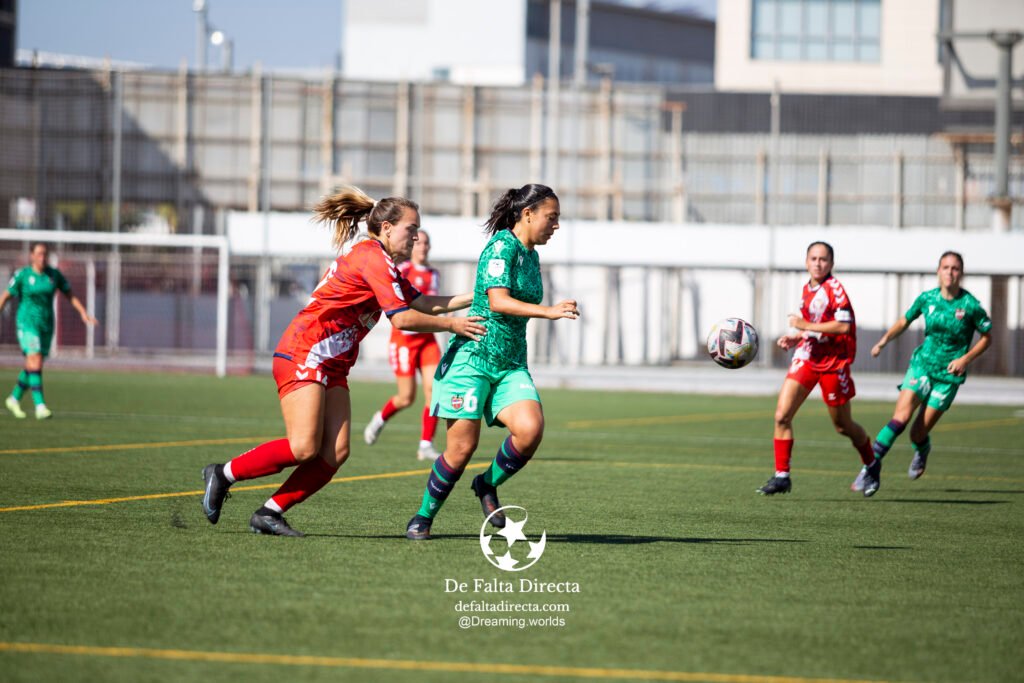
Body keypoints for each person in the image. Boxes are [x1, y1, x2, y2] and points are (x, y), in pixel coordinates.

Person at [200, 187, 486, 537]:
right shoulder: (372, 258)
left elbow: (424, 302)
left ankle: (269, 512)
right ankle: (223, 473)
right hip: (305, 352)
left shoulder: (386, 265)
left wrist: (480, 294)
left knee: (335, 452)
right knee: (304, 447)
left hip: (331, 363)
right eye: (411, 228)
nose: (415, 236)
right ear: (386, 228)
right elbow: (402, 318)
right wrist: (454, 325)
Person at [405, 184, 579, 541]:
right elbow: (498, 302)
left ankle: (486, 484)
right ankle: (423, 516)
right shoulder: (501, 246)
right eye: (552, 217)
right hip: (473, 357)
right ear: (527, 214)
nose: (556, 225)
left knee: (530, 431)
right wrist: (549, 311)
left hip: (511, 361)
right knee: (461, 449)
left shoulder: (531, 255)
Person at [857, 251, 992, 497]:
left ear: (961, 273)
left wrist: (965, 358)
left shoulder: (970, 305)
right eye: (946, 267)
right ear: (938, 271)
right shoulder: (927, 298)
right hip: (922, 366)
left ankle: (922, 450)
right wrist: (883, 341)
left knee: (917, 433)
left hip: (948, 376)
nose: (950, 272)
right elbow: (904, 321)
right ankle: (871, 466)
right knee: (901, 416)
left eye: (955, 268)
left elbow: (987, 338)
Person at [757, 241, 875, 496]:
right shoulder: (807, 289)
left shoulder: (835, 289)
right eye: (813, 258)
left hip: (834, 363)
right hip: (808, 356)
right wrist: (796, 336)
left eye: (823, 259)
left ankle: (871, 462)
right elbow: (812, 326)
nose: (818, 263)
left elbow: (843, 326)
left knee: (843, 426)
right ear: (806, 262)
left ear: (831, 264)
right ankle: (782, 476)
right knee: (781, 415)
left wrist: (804, 324)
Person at [363, 229, 444, 462]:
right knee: (406, 397)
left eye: (427, 243)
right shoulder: (403, 270)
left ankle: (426, 445)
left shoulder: (434, 274)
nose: (423, 247)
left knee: (435, 391)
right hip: (404, 341)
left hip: (427, 340)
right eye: (419, 242)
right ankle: (380, 418)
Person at [1, 242, 98, 420]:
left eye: (44, 254)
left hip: (46, 325)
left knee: (34, 364)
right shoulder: (23, 275)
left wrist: (83, 313)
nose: (42, 257)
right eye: (38, 254)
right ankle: (40, 406)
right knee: (35, 359)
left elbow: (69, 294)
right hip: (27, 324)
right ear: (31, 256)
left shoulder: (54, 275)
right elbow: (6, 296)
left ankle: (14, 398)